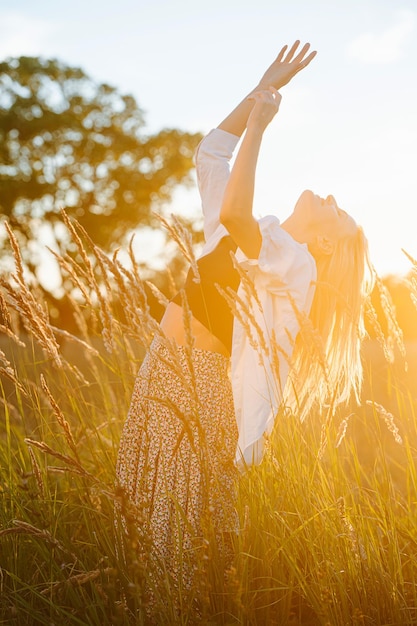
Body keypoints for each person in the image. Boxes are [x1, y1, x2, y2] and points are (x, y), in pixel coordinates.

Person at [115, 40, 372, 609]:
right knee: (147, 513)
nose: (329, 196)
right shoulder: (259, 238)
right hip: (164, 372)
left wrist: (261, 124)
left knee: (173, 538)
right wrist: (262, 88)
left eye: (338, 209)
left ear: (327, 241)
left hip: (202, 390)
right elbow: (211, 156)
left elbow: (232, 209)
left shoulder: (296, 266)